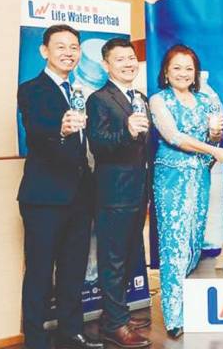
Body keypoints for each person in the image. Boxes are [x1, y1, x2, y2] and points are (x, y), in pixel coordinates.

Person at [17, 24, 102, 349]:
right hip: (45, 197)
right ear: (44, 51)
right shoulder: (31, 89)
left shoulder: (79, 91)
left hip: (80, 196)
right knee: (39, 272)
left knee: (73, 269)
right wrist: (62, 130)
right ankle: (35, 340)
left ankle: (72, 332)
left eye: (74, 47)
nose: (69, 53)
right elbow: (36, 133)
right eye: (61, 47)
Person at [149, 44, 223, 338]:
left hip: (199, 177)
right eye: (177, 68)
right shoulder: (159, 100)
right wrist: (213, 148)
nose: (183, 73)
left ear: (195, 72)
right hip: (171, 178)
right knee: (174, 245)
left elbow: (213, 136)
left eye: (189, 68)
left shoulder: (205, 100)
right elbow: (174, 136)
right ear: (166, 72)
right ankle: (174, 317)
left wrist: (215, 132)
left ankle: (188, 307)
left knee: (193, 243)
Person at [86, 38, 151, 348]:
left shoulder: (139, 97)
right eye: (120, 59)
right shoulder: (99, 99)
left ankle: (115, 316)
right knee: (112, 260)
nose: (128, 63)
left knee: (126, 256)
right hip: (113, 192)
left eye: (131, 58)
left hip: (138, 191)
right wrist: (127, 130)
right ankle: (115, 327)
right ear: (106, 65)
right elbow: (99, 144)